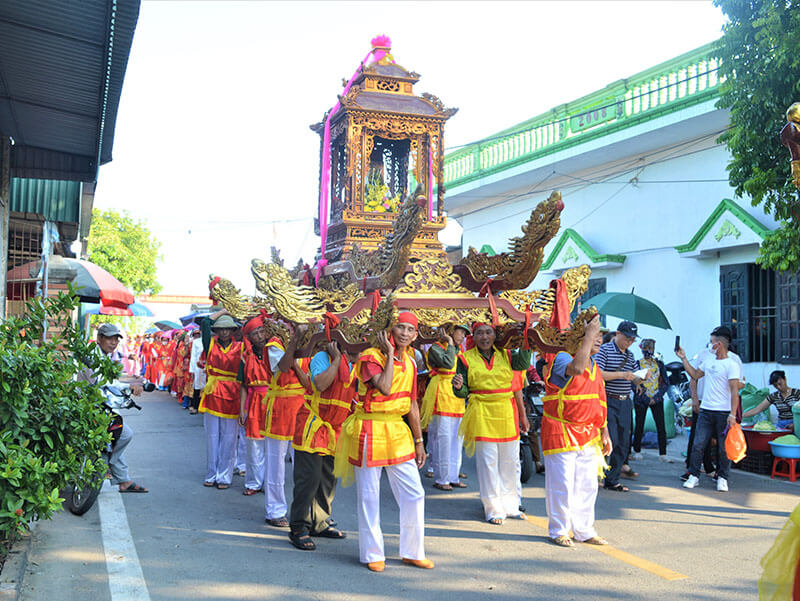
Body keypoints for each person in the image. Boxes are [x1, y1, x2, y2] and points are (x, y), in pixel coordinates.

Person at [335, 312, 432, 572]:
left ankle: (413, 551)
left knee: (414, 493)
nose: (404, 333)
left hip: (398, 432)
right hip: (369, 427)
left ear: (415, 335)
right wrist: (389, 354)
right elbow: (386, 387)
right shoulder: (370, 357)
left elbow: (411, 402)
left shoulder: (411, 362)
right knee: (369, 496)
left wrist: (419, 440)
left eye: (410, 329)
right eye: (400, 327)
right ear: (390, 328)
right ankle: (372, 553)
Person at [541, 315, 611, 547]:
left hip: (588, 434)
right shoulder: (563, 358)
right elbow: (577, 369)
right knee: (562, 484)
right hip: (561, 430)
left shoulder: (596, 367)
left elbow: (600, 401)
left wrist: (605, 432)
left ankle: (584, 530)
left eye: (600, 336)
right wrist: (588, 336)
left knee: (587, 485)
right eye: (593, 335)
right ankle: (559, 530)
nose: (598, 340)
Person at [454, 322, 531, 525]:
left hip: (505, 410)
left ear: (495, 335)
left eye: (488, 332)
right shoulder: (465, 358)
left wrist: (524, 338)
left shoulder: (506, 354)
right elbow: (462, 391)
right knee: (488, 462)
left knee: (510, 460)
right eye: (480, 333)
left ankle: (511, 505)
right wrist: (459, 387)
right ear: (474, 336)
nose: (484, 337)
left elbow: (523, 364)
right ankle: (493, 508)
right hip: (481, 411)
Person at [288, 340, 357, 550]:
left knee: (328, 477)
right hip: (313, 424)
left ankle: (319, 521)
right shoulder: (322, 358)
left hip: (336, 428)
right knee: (309, 477)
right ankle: (299, 526)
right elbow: (320, 384)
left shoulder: (359, 363)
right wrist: (336, 360)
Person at [78, 323, 147, 493]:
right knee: (124, 434)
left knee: (115, 436)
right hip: (87, 405)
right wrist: (129, 387)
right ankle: (104, 466)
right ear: (99, 338)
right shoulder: (93, 356)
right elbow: (104, 382)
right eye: (109, 338)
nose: (113, 342)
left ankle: (123, 480)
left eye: (116, 339)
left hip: (98, 403)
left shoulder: (104, 355)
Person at [678, 326, 742, 492]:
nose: (710, 345)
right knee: (698, 444)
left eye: (712, 342)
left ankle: (722, 477)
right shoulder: (708, 361)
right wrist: (683, 359)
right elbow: (695, 375)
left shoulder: (731, 364)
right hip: (706, 410)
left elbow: (735, 391)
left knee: (723, 448)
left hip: (723, 412)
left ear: (719, 344)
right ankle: (693, 476)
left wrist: (732, 414)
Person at [260, 325, 311, 527]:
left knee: (304, 463)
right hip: (281, 407)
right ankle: (275, 510)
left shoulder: (312, 343)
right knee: (276, 464)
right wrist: (294, 340)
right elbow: (282, 366)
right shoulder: (274, 343)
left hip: (303, 407)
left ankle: (303, 511)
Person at [594, 321, 642, 492]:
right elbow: (598, 374)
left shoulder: (630, 355)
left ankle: (612, 479)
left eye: (633, 340)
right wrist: (621, 374)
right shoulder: (605, 350)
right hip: (609, 400)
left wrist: (640, 378)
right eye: (627, 338)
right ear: (618, 334)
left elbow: (634, 377)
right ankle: (597, 474)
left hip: (625, 402)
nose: (629, 342)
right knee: (609, 438)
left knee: (623, 442)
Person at [198, 310, 243, 489]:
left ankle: (224, 476)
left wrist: (239, 312)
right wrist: (224, 311)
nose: (224, 332)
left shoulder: (240, 346)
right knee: (212, 436)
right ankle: (211, 473)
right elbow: (205, 324)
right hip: (213, 391)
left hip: (233, 393)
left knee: (230, 437)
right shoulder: (210, 344)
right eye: (221, 329)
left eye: (227, 329)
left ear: (232, 330)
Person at [420, 326, 468, 491]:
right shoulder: (436, 348)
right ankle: (442, 478)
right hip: (441, 393)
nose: (463, 336)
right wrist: (448, 342)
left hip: (456, 395)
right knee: (443, 437)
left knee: (457, 438)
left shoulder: (460, 350)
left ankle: (453, 475)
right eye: (460, 331)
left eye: (465, 333)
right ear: (449, 331)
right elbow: (447, 364)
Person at [237, 315, 270, 496]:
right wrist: (242, 409)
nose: (259, 336)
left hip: (273, 399)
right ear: (249, 338)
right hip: (255, 400)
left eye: (261, 331)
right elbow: (243, 385)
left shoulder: (274, 351)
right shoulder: (245, 357)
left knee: (272, 445)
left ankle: (268, 482)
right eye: (255, 333)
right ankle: (253, 482)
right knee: (254, 445)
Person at [631, 339, 672, 463]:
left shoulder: (659, 364)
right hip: (641, 399)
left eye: (651, 348)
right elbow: (634, 382)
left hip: (657, 398)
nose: (648, 351)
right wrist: (645, 398)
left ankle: (663, 453)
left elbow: (665, 382)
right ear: (641, 349)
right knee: (639, 425)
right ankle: (637, 450)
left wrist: (657, 397)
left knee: (661, 425)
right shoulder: (637, 364)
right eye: (646, 348)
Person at [188, 329, 204, 415]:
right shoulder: (196, 342)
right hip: (199, 367)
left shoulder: (213, 340)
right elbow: (193, 356)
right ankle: (195, 406)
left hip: (210, 368)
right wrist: (192, 370)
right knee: (197, 387)